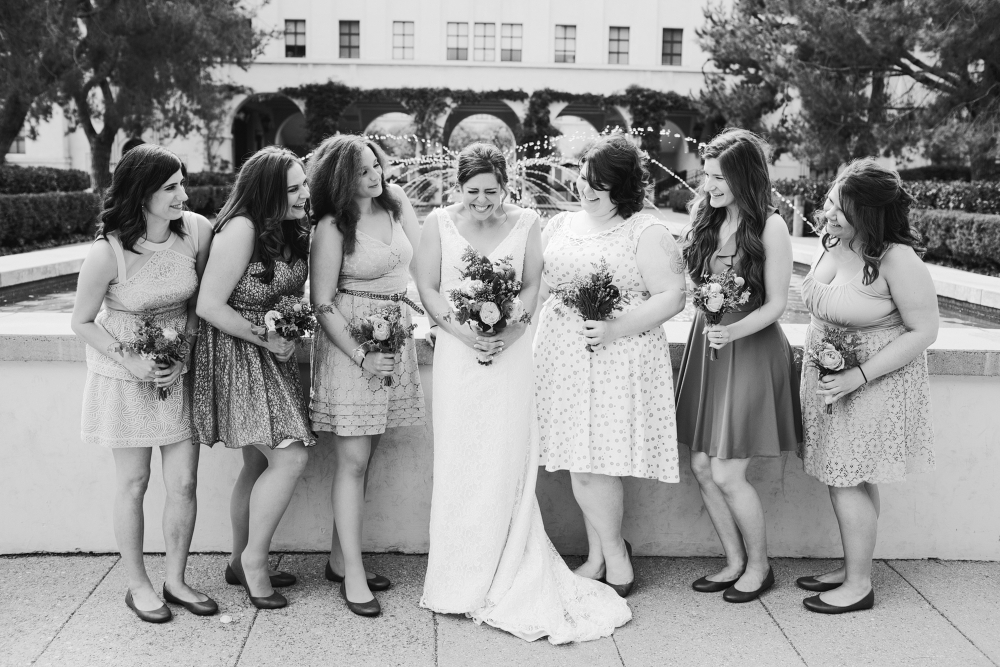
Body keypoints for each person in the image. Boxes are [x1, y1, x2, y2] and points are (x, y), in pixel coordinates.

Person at [415, 142, 631, 643]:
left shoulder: (528, 222)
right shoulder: (438, 223)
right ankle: (458, 577)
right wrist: (460, 330)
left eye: (491, 191)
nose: (482, 201)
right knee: (460, 458)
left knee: (506, 459)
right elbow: (427, 286)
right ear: (458, 187)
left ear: (506, 184)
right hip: (457, 354)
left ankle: (508, 563)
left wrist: (514, 330)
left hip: (512, 356)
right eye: (472, 192)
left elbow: (534, 284)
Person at [533, 133, 687, 599]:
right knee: (578, 462)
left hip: (617, 361)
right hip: (561, 359)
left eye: (599, 184)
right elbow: (537, 290)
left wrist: (616, 328)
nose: (586, 189)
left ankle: (615, 557)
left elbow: (674, 296)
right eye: (583, 178)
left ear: (622, 187)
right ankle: (601, 555)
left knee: (594, 464)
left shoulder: (646, 231)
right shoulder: (558, 226)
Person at [72, 144, 215, 623]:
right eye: (171, 187)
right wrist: (133, 363)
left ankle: (176, 579)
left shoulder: (196, 231)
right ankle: (138, 585)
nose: (183, 195)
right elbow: (83, 321)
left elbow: (200, 302)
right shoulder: (107, 251)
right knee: (134, 482)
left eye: (182, 183)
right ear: (141, 193)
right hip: (123, 375)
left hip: (179, 370)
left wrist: (186, 352)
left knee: (185, 482)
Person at [798, 158, 937, 614]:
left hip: (872, 384)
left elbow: (924, 331)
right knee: (850, 477)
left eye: (843, 209)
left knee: (846, 480)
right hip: (831, 383)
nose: (830, 214)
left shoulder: (897, 258)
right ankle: (853, 566)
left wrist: (857, 375)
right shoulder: (834, 242)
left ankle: (858, 586)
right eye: (831, 203)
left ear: (871, 214)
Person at [674, 128, 801, 603]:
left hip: (750, 350)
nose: (710, 186)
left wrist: (733, 330)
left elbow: (778, 305)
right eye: (706, 176)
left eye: (720, 177)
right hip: (708, 349)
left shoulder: (771, 226)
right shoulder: (707, 221)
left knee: (728, 471)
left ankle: (761, 566)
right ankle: (732, 561)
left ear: (745, 176)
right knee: (702, 465)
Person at [307, 135, 426, 617]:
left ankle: (341, 559)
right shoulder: (333, 226)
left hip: (394, 340)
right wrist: (361, 355)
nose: (375, 175)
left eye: (375, 164)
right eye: (362, 171)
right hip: (350, 348)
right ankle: (352, 575)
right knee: (353, 461)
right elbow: (322, 302)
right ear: (340, 178)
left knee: (368, 455)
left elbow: (428, 263)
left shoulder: (396, 204)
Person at [192, 146, 314, 610]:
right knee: (290, 458)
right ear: (267, 193)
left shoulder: (289, 227)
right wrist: (267, 339)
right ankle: (255, 561)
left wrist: (291, 329)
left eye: (304, 183)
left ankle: (237, 561)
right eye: (294, 188)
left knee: (259, 463)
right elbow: (209, 306)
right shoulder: (241, 228)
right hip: (237, 353)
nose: (305, 194)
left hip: (273, 354)